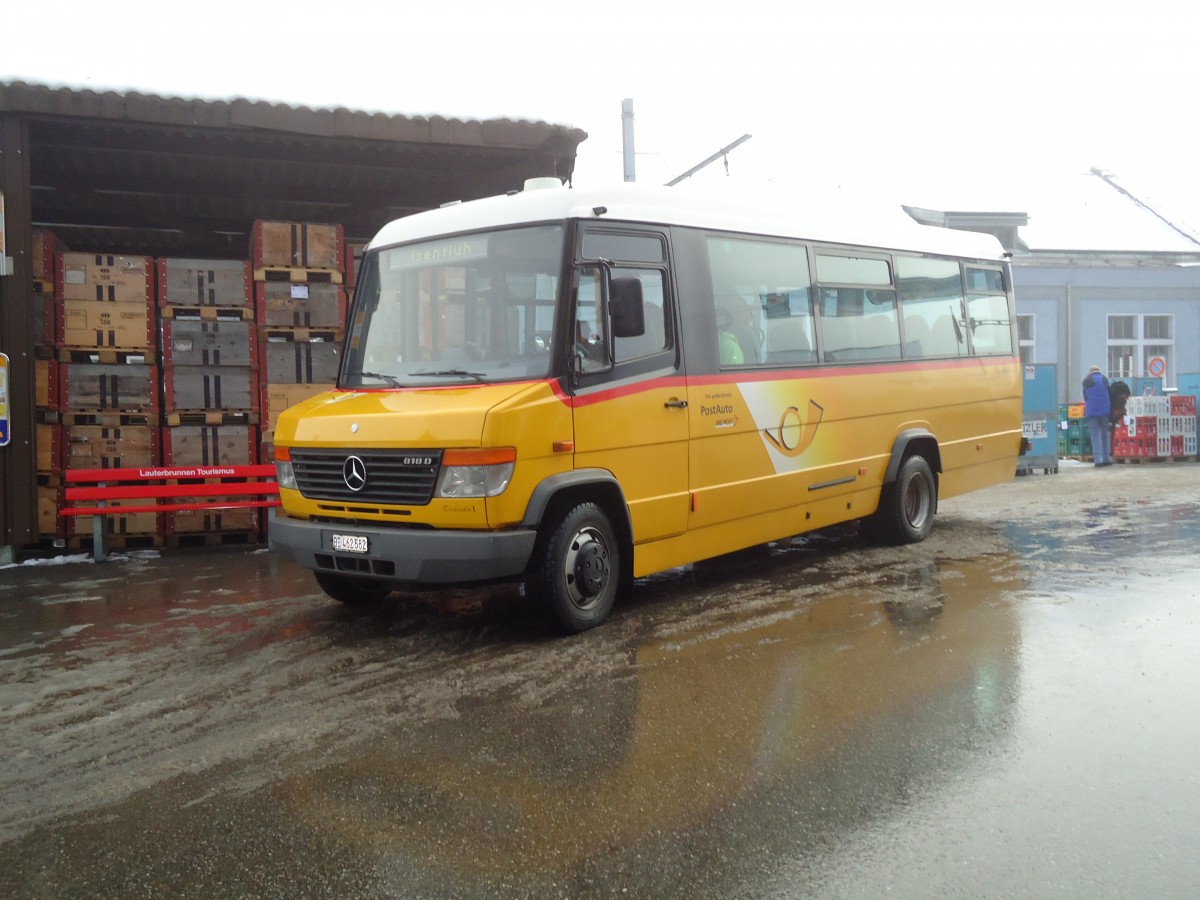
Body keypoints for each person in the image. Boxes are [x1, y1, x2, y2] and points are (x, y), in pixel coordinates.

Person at [1082, 365, 1113, 467]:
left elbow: (1086, 396)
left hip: (1092, 411)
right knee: (1105, 434)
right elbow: (1108, 393)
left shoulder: (1086, 381)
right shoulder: (1104, 379)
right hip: (1105, 411)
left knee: (1095, 435)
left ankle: (1098, 460)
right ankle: (1106, 458)